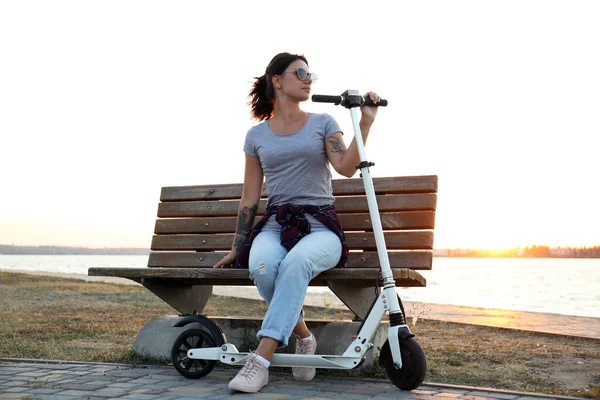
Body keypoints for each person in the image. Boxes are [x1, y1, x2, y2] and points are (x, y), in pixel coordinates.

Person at [214, 52, 380, 393]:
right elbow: (250, 198)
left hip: (320, 226)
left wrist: (364, 122)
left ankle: (260, 360)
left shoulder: (323, 123)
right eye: (300, 72)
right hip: (276, 224)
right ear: (277, 80)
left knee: (296, 263)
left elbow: (346, 167)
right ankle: (303, 337)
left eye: (311, 75)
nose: (308, 79)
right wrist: (237, 247)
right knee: (261, 267)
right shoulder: (256, 136)